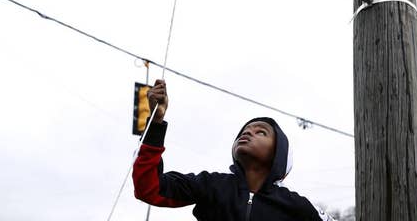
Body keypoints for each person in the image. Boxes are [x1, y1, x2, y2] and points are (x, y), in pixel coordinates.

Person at [132, 79, 334, 220]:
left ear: (279, 154)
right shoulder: (211, 185)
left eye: (261, 132)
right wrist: (156, 122)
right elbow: (149, 189)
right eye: (245, 131)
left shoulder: (296, 205)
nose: (247, 133)